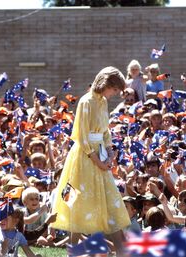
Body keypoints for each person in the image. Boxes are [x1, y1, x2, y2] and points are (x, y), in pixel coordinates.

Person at [51, 66, 131, 255]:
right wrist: (99, 161)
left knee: (111, 203)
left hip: (101, 156)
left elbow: (105, 132)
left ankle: (121, 251)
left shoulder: (102, 102)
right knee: (79, 206)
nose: (115, 94)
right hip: (85, 160)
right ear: (106, 84)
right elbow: (82, 137)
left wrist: (110, 152)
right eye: (115, 90)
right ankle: (73, 253)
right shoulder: (85, 102)